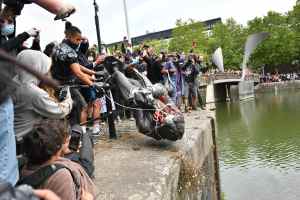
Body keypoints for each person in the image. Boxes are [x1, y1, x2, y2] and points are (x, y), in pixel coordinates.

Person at [0, 5, 39, 186]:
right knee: (5, 146)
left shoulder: (8, 39)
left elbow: (27, 51)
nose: (7, 24)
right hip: (2, 96)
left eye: (10, 21)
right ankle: (8, 188)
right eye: (3, 21)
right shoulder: (5, 41)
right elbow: (6, 48)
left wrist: (35, 39)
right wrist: (24, 34)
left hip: (8, 91)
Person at [13, 50, 73, 152]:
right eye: (45, 69)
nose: (47, 72)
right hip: (24, 142)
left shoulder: (14, 82)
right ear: (36, 68)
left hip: (12, 138)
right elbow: (60, 112)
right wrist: (68, 98)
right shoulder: (32, 92)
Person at [20, 119, 96, 200]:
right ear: (57, 150)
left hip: (63, 160)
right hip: (82, 168)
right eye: (65, 142)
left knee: (78, 129)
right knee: (85, 136)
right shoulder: (61, 176)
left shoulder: (24, 166)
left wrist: (62, 151)